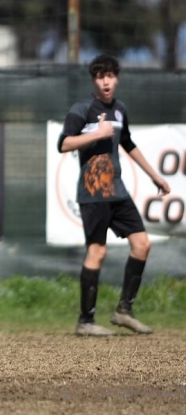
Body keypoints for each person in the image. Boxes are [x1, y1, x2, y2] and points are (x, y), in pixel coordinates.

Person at [58, 54, 171, 337]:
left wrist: (154, 175)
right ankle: (86, 321)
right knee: (97, 251)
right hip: (93, 193)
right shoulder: (82, 109)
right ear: (93, 81)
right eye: (100, 77)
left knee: (142, 244)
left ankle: (124, 311)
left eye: (110, 76)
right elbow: (64, 143)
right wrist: (96, 134)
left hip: (118, 192)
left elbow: (128, 143)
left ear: (117, 78)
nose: (105, 82)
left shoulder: (120, 110)